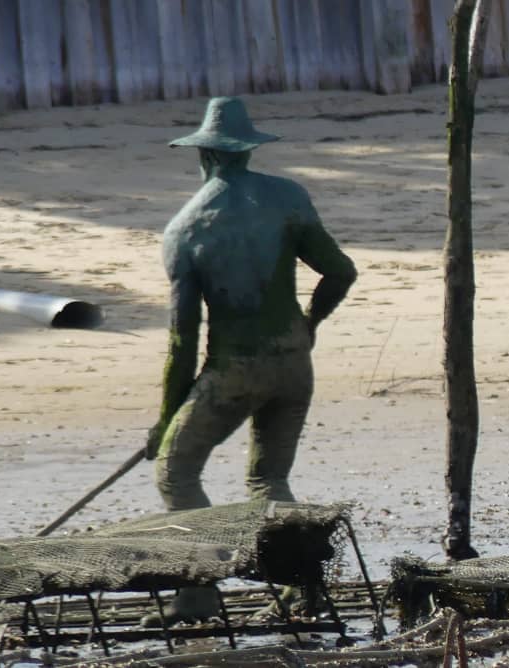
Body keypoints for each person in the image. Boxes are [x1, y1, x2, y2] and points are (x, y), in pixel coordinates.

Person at [142, 97, 357, 622]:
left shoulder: (186, 230)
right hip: (294, 362)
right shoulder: (288, 197)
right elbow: (340, 272)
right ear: (246, 153)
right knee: (268, 481)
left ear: (205, 156)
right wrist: (309, 324)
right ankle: (301, 584)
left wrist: (167, 418)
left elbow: (183, 342)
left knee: (176, 469)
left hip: (235, 370)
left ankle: (197, 593)